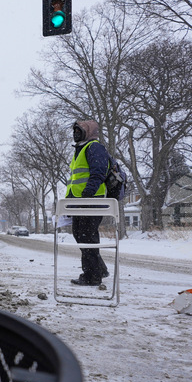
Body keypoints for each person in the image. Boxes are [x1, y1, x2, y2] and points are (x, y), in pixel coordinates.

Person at [66, 119, 110, 286]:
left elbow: (98, 172)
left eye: (79, 131)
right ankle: (99, 269)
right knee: (81, 235)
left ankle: (92, 276)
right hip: (80, 202)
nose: (75, 134)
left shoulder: (94, 147)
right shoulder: (80, 149)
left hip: (90, 201)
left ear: (89, 132)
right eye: (74, 131)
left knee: (87, 237)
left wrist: (87, 194)